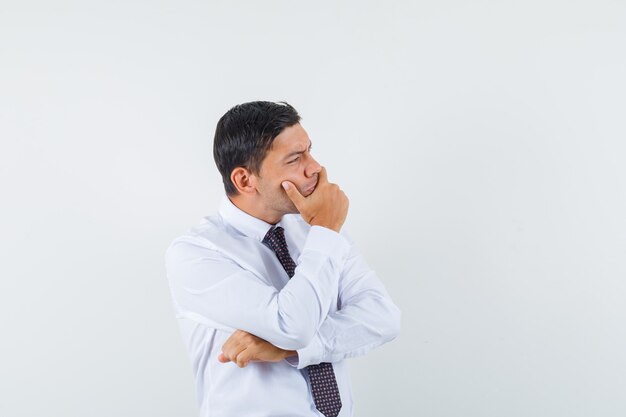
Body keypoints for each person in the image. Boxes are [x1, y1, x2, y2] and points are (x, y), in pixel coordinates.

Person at [165, 101, 401, 417]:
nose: (314, 167)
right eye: (294, 159)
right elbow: (292, 324)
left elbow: (383, 318)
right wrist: (327, 230)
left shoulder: (316, 231)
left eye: (309, 151)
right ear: (244, 180)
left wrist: (288, 349)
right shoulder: (195, 254)